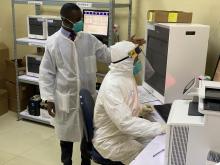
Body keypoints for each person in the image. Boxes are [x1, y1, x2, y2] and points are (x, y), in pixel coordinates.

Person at [39, 3, 145, 165]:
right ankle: (66, 162)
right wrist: (48, 99)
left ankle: (85, 161)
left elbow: (109, 55)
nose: (79, 23)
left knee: (88, 135)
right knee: (66, 139)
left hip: (88, 97)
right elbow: (46, 73)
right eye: (76, 20)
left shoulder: (88, 39)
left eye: (80, 19)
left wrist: (129, 46)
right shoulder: (53, 43)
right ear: (64, 20)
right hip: (65, 99)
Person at [93, 41, 166, 165]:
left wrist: (141, 108)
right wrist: (161, 127)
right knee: (148, 157)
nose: (138, 63)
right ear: (126, 62)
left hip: (122, 132)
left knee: (157, 143)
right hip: (110, 140)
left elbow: (125, 104)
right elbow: (125, 123)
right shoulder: (112, 85)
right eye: (135, 60)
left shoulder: (125, 75)